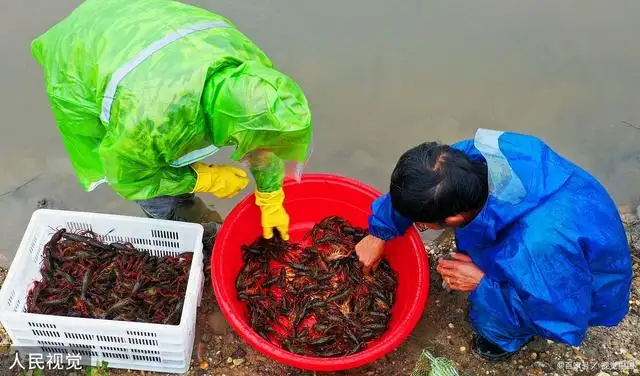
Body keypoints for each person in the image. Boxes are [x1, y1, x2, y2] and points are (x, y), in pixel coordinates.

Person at [31, 0, 313, 250]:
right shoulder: (150, 121)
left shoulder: (257, 73)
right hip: (78, 53)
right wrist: (203, 178)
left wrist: (270, 196)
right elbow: (128, 178)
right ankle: (169, 222)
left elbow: (266, 138)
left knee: (161, 152)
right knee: (144, 176)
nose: (259, 150)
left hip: (144, 27)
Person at [356, 128, 632, 361]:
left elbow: (563, 320)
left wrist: (481, 284)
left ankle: (503, 343)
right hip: (555, 225)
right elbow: (419, 192)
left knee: (495, 321)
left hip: (578, 284)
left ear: (453, 218)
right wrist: (380, 231)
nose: (422, 226)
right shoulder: (469, 161)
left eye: (424, 224)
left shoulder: (539, 250)